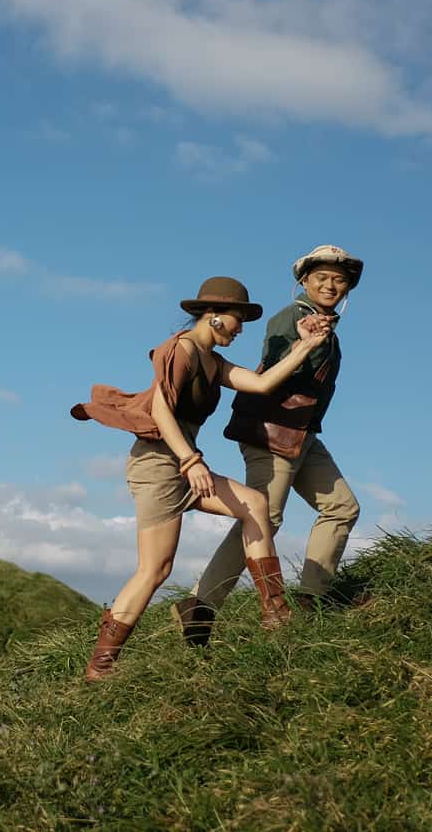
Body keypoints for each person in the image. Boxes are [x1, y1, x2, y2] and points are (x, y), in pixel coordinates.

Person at [70, 276, 333, 681]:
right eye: (237, 319)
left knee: (255, 504)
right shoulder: (181, 350)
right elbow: (160, 411)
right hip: (160, 465)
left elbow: (261, 383)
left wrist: (304, 346)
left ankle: (276, 614)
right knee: (155, 569)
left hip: (182, 463)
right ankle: (101, 666)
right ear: (213, 316)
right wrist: (192, 461)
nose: (241, 328)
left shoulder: (214, 361)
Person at [176, 245, 365, 646]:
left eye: (339, 280)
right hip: (272, 434)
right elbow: (275, 358)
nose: (330, 285)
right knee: (264, 517)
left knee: (342, 507)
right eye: (322, 278)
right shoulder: (291, 319)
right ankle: (200, 606)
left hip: (303, 435)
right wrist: (298, 345)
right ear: (304, 282)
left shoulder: (327, 327)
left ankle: (312, 599)